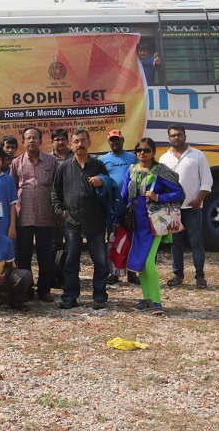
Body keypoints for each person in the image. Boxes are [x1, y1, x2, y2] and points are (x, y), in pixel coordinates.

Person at [117, 137, 184, 316]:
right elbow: (124, 196)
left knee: (148, 262)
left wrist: (158, 197)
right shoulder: (132, 170)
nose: (142, 153)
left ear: (154, 152)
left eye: (146, 150)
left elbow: (179, 193)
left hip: (154, 224)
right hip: (134, 223)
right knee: (140, 262)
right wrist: (117, 219)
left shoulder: (161, 171)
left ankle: (156, 302)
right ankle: (146, 299)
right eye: (139, 150)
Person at [51, 128, 110, 310]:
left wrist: (103, 181)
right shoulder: (64, 167)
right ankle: (70, 296)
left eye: (83, 141)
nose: (80, 144)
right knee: (71, 261)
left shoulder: (98, 166)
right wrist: (60, 210)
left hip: (95, 221)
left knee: (100, 261)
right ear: (71, 144)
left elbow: (109, 190)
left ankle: (99, 296)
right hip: (72, 222)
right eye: (76, 141)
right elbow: (55, 192)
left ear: (89, 143)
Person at [9, 127, 60, 301]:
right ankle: (26, 289)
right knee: (24, 255)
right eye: (28, 138)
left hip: (46, 215)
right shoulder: (16, 163)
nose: (31, 141)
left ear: (41, 140)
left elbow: (57, 187)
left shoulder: (52, 161)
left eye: (34, 138)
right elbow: (12, 190)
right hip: (23, 216)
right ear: (23, 141)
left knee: (45, 255)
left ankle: (44, 289)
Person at [159, 124, 213, 290]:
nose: (176, 137)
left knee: (196, 242)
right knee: (176, 243)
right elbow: (161, 184)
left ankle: (200, 277)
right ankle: (178, 275)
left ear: (185, 136)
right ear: (169, 138)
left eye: (179, 134)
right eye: (173, 135)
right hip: (173, 209)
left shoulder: (197, 155)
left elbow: (207, 180)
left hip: (193, 208)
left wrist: (199, 200)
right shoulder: (164, 159)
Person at [98, 130, 139, 286]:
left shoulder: (132, 158)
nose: (115, 142)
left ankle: (131, 272)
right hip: (112, 206)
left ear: (123, 140)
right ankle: (113, 273)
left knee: (130, 239)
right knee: (112, 239)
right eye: (112, 140)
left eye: (118, 140)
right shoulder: (103, 160)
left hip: (130, 205)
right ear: (109, 142)